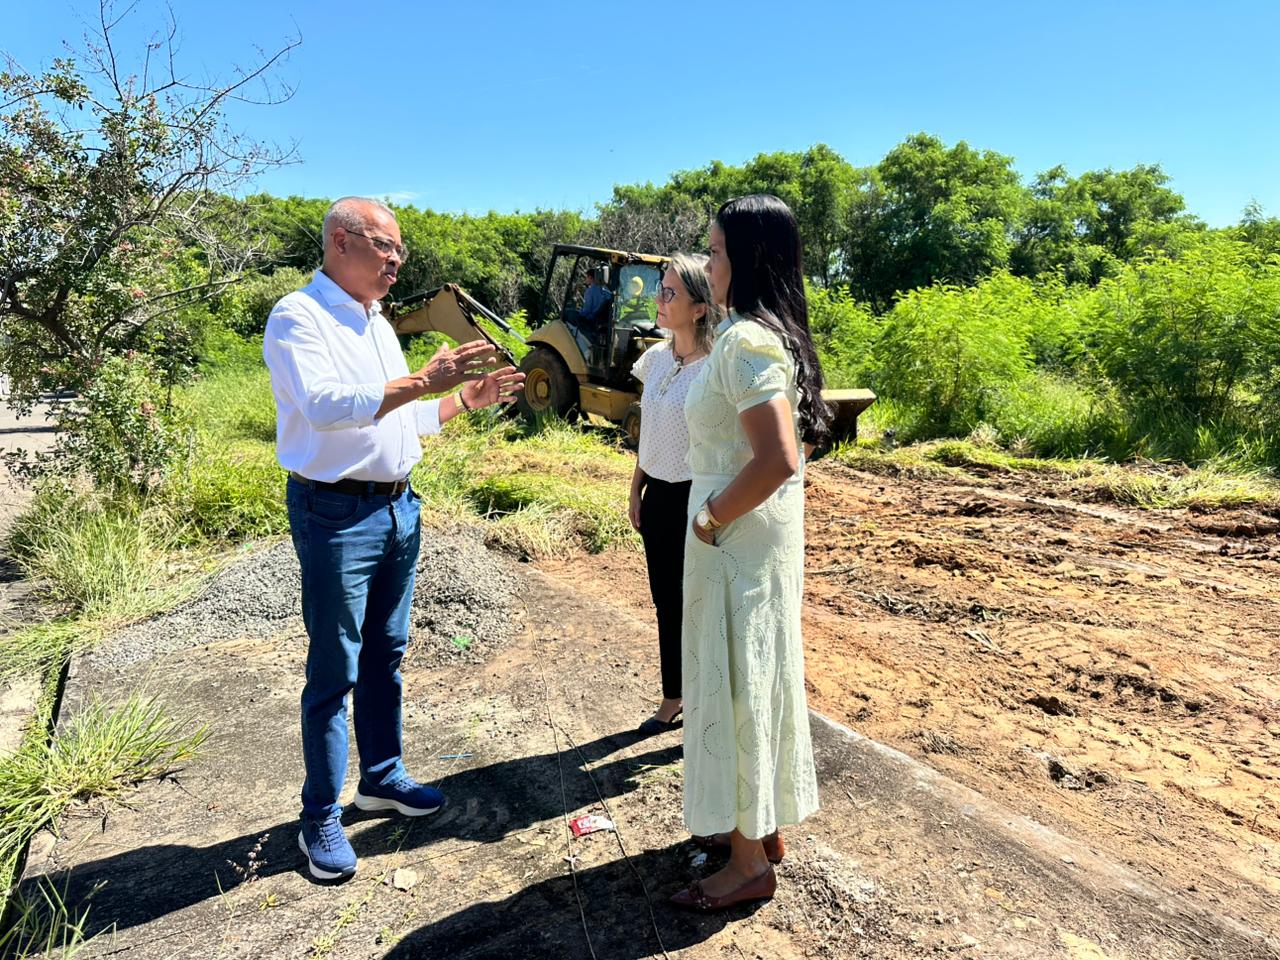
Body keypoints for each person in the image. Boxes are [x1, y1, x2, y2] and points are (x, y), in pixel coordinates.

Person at [262, 197, 524, 882]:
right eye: (386, 246)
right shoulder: (298, 316)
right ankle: (320, 815)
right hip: (336, 514)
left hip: (397, 507)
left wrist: (462, 399)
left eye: (399, 250)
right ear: (341, 242)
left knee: (387, 653)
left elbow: (400, 420)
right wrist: (423, 379)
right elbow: (324, 408)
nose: (396, 261)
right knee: (335, 668)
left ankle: (380, 779)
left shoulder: (377, 320)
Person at [670, 195, 829, 912]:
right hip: (752, 540)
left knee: (737, 684)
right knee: (754, 676)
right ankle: (760, 830)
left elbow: (778, 458)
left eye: (715, 251)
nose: (708, 265)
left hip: (733, 540)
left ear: (748, 258)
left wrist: (709, 518)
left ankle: (746, 864)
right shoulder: (766, 335)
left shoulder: (744, 342)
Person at [627, 254, 723, 736]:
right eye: (659, 290)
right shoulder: (658, 358)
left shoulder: (716, 369)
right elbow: (649, 429)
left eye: (669, 293)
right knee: (666, 601)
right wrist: (636, 485)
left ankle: (710, 701)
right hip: (658, 496)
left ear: (700, 308)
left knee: (701, 606)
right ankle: (674, 694)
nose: (658, 300)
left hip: (696, 496)